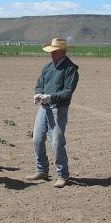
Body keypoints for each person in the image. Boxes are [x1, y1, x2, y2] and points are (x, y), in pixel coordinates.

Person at [26, 38, 79, 188]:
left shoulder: (71, 69)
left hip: (58, 109)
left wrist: (51, 97)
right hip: (44, 108)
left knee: (56, 142)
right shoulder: (48, 67)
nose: (51, 54)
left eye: (54, 51)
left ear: (62, 51)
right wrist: (38, 94)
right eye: (51, 52)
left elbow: (67, 92)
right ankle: (42, 170)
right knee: (36, 139)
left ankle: (63, 175)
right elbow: (39, 84)